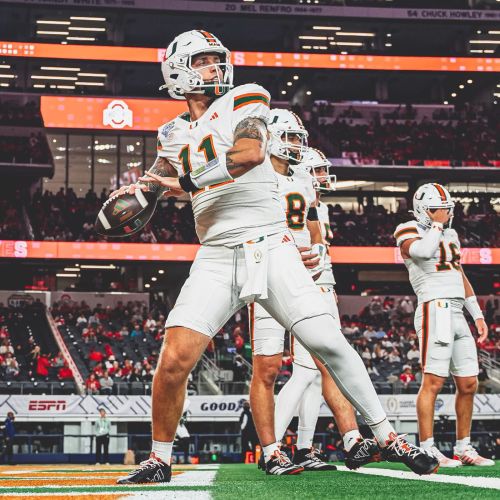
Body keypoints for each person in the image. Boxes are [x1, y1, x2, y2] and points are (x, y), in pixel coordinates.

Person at [116, 29, 437, 484]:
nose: (215, 66)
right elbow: (154, 180)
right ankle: (159, 459)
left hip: (269, 243)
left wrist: (184, 183)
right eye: (203, 60)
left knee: (328, 341)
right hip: (216, 253)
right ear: (176, 70)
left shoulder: (247, 97)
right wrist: (133, 195)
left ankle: (387, 437)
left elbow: (248, 154)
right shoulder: (171, 132)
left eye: (216, 58)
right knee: (174, 359)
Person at [253, 135, 377, 472]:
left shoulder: (311, 203)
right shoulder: (288, 192)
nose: (322, 176)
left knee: (313, 373)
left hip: (312, 281)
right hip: (300, 282)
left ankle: (303, 447)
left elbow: (317, 243)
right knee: (307, 370)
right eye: (317, 170)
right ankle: (275, 447)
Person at [395, 182, 494, 468]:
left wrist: (477, 314)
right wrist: (437, 226)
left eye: (447, 209)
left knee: (469, 382)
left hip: (457, 310)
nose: (446, 214)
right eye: (439, 209)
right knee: (434, 381)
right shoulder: (407, 229)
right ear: (423, 210)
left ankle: (463, 447)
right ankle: (428, 448)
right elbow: (423, 253)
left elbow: (459, 273)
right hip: (434, 307)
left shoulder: (450, 234)